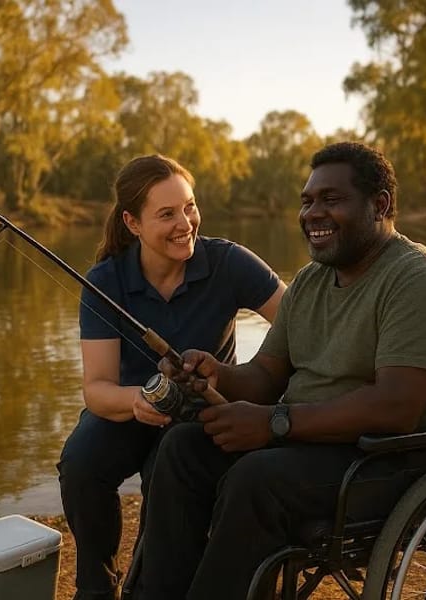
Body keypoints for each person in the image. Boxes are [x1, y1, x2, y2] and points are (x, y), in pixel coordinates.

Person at [138, 142, 426, 600]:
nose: (312, 213)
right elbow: (264, 378)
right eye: (307, 201)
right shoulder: (309, 282)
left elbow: (396, 407)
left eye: (331, 200)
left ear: (381, 205)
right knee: (180, 448)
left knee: (256, 478)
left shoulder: (422, 280)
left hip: (388, 461)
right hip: (307, 445)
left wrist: (275, 424)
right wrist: (216, 374)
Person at [56, 154, 286, 600]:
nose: (186, 223)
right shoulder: (105, 280)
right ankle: (97, 586)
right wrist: (136, 402)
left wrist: (246, 380)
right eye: (166, 214)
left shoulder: (230, 262)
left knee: (165, 468)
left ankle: (157, 583)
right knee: (81, 465)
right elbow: (97, 389)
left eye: (190, 206)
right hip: (131, 408)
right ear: (132, 223)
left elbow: (303, 323)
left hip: (204, 414)